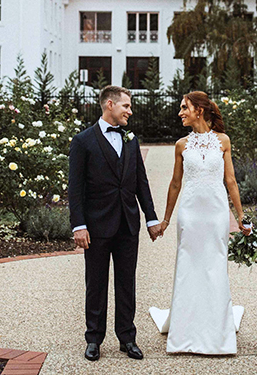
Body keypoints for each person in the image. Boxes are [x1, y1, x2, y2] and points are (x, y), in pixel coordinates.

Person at [149, 90, 250, 355]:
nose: (180, 112)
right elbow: (175, 183)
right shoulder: (181, 145)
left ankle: (217, 332)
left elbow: (230, 181)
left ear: (199, 110)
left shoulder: (223, 141)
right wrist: (166, 219)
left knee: (215, 266)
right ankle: (185, 332)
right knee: (189, 267)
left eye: (185, 107)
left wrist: (242, 217)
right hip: (190, 215)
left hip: (216, 214)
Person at [69, 85, 164, 362]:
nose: (130, 111)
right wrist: (79, 225)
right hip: (96, 227)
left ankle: (127, 337)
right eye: (126, 106)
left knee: (127, 283)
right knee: (95, 283)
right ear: (109, 104)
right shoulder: (83, 141)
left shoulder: (131, 139)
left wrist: (151, 218)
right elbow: (75, 189)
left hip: (127, 224)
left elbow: (140, 182)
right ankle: (93, 339)